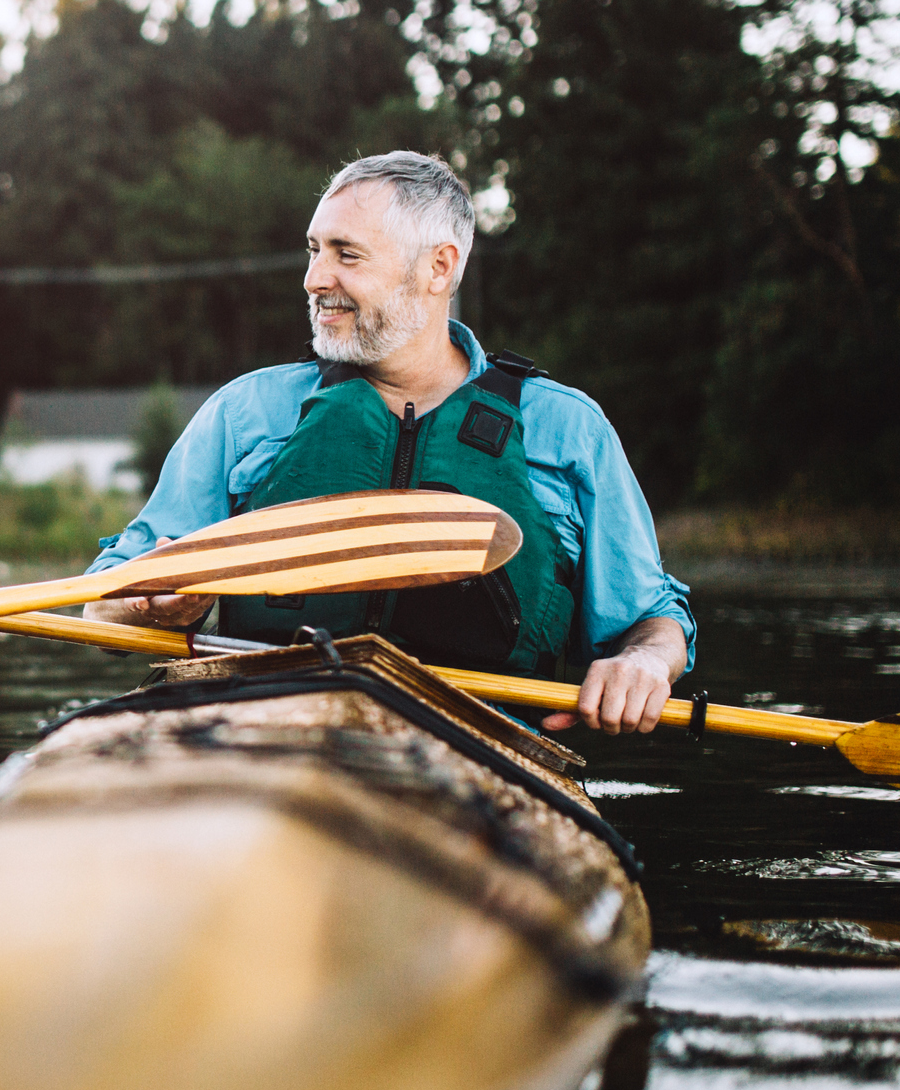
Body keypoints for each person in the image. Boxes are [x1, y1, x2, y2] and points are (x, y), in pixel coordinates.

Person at [86, 151, 693, 737]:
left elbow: (648, 620)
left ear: (438, 268)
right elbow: (102, 603)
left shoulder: (568, 431)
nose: (314, 279)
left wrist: (644, 662)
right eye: (314, 250)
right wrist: (153, 605)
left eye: (346, 254)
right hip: (262, 733)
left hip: (476, 750)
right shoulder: (246, 414)